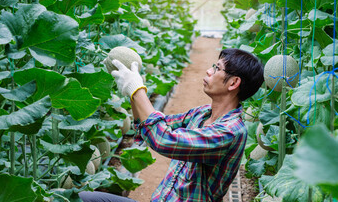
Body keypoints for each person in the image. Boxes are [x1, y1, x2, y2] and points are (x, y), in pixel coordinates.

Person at [79, 48, 264, 202]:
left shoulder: (230, 132)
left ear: (233, 83)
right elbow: (150, 125)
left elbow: (164, 140)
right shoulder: (202, 113)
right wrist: (133, 94)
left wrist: (137, 89)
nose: (209, 71)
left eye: (216, 68)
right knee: (82, 198)